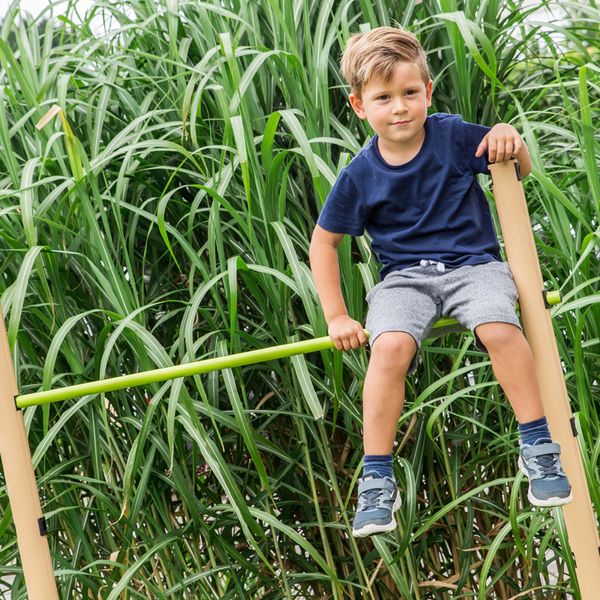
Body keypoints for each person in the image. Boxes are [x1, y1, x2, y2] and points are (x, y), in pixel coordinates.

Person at [309, 26, 572, 538]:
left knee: (499, 327)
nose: (400, 107)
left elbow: (518, 165)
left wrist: (507, 136)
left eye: (410, 93)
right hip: (403, 280)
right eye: (384, 98)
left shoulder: (451, 136)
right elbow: (324, 243)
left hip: (474, 266)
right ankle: (378, 479)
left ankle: (539, 447)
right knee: (388, 349)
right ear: (360, 106)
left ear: (428, 92)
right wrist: (337, 316)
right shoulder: (360, 174)